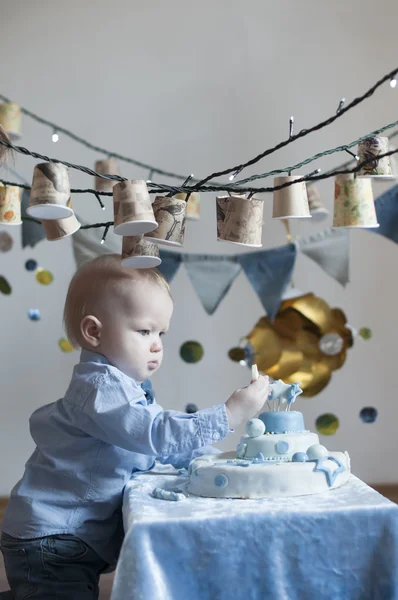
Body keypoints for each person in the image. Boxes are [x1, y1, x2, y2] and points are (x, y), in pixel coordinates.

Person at [0, 254, 269, 600]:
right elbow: (157, 434)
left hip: (64, 537)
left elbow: (172, 445)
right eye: (144, 331)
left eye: (161, 332)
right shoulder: (101, 390)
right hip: (53, 538)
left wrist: (226, 461)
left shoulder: (125, 389)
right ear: (94, 332)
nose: (157, 344)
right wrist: (231, 414)